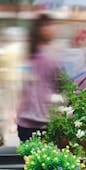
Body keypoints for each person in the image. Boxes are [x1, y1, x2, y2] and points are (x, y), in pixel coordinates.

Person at [16, 14, 66, 142]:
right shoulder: (53, 55)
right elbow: (65, 84)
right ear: (41, 29)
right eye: (50, 25)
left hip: (28, 120)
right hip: (43, 119)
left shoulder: (29, 53)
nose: (54, 29)